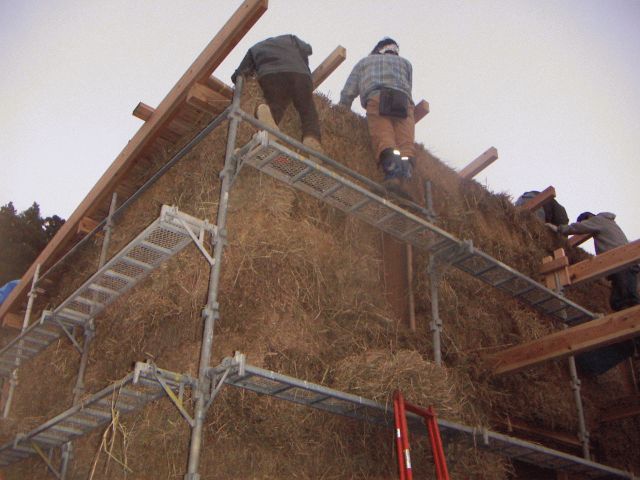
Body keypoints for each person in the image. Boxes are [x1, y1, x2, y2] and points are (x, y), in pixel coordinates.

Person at [554, 212, 639, 375]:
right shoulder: (611, 225)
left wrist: (560, 229)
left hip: (622, 263)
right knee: (619, 301)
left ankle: (631, 329)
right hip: (625, 266)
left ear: (588, 219)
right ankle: (631, 336)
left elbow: (579, 227)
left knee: (626, 302)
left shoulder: (599, 220)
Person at [339, 38, 415, 198]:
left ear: (377, 49)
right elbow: (409, 87)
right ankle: (404, 180)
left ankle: (392, 177)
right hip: (403, 103)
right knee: (405, 143)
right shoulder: (406, 64)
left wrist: (342, 111)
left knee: (384, 137)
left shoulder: (365, 62)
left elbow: (349, 90)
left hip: (378, 97)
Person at [231, 34, 322, 152]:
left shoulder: (254, 48)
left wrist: (237, 78)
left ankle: (268, 123)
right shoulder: (290, 38)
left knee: (276, 105)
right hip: (300, 73)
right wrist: (302, 60)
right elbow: (307, 49)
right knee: (307, 108)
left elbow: (240, 73)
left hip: (271, 74)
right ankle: (311, 137)